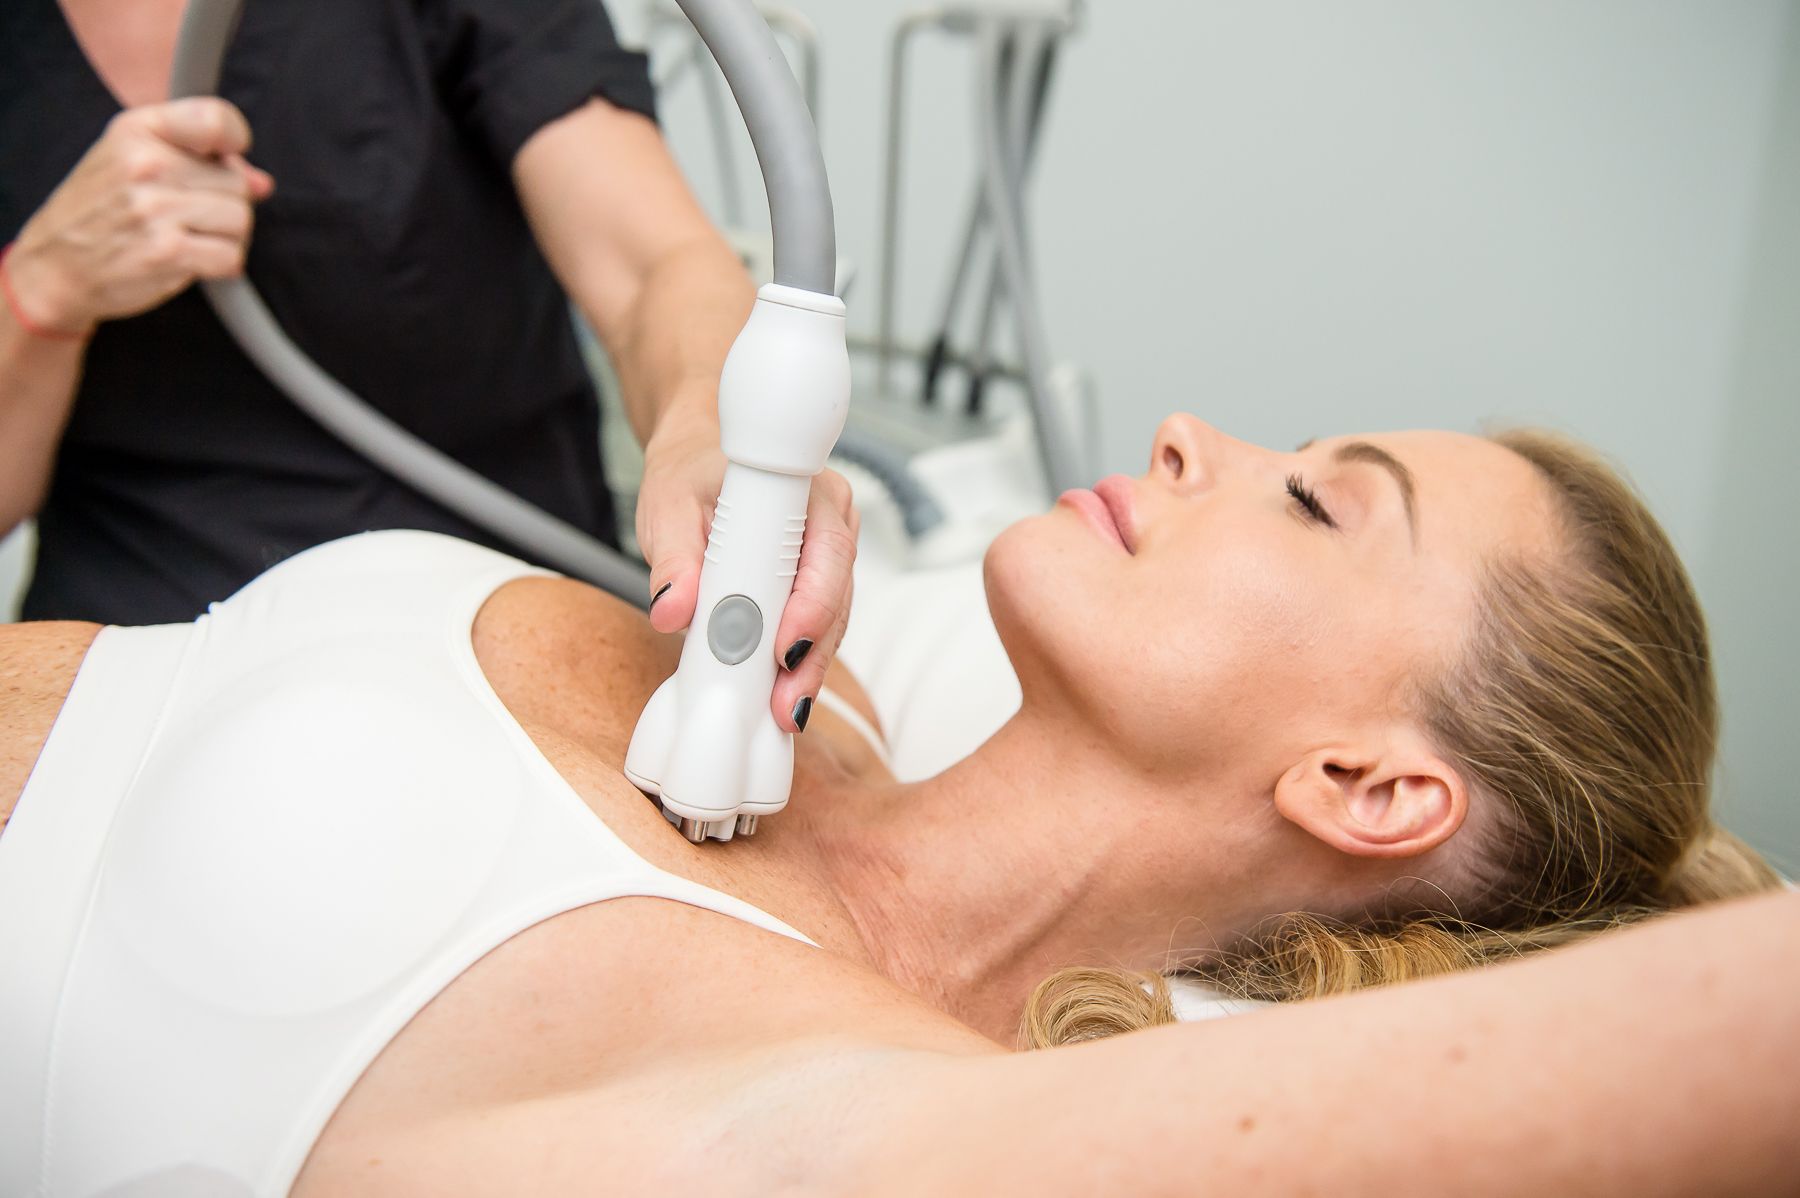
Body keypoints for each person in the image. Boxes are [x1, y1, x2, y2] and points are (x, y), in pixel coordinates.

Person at [0, 415, 1791, 1194]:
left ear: (1371, 785)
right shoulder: (792, 674)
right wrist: (712, 384)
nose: (1187, 435)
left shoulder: (864, 1114)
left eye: (1320, 503)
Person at [0, 0, 854, 733]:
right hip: (137, 671)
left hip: (491, 631)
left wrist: (709, 431)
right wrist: (38, 293)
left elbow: (651, 265)